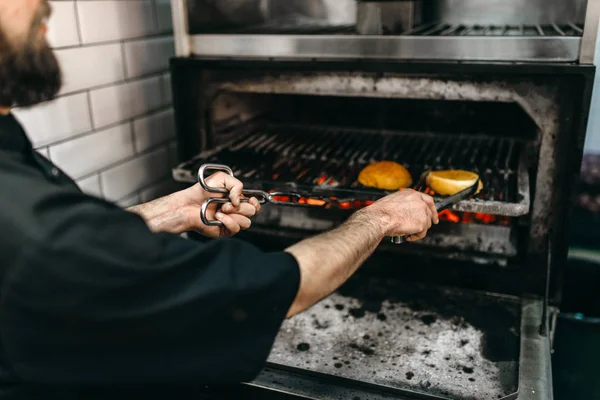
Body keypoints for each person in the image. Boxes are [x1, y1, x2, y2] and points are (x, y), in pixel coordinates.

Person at [0, 1, 439, 399]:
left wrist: (173, 211)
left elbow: (72, 258)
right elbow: (271, 288)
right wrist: (379, 217)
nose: (45, 4)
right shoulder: (34, 228)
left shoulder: (13, 166)